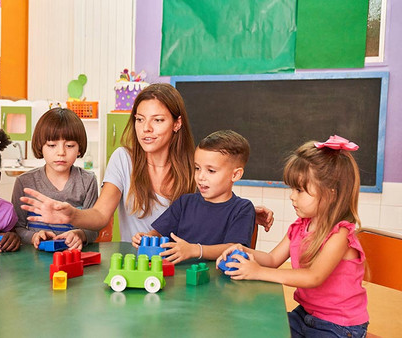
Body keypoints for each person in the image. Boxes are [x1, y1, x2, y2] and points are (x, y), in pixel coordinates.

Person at [19, 83, 274, 241]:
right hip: (138, 264)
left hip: (182, 267)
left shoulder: (193, 166)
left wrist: (244, 211)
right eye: (140, 120)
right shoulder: (123, 158)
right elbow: (99, 215)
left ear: (177, 124)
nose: (146, 129)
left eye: (158, 120)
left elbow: (212, 208)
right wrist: (72, 215)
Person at [217, 135, 368, 338]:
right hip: (304, 315)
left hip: (339, 326)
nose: (292, 196)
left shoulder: (340, 235)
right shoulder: (300, 227)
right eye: (292, 188)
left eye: (300, 190)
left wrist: (257, 272)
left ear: (330, 193)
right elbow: (272, 259)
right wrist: (242, 249)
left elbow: (313, 276)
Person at [132, 130, 255, 263]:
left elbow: (234, 248)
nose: (200, 177)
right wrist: (147, 238)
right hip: (176, 275)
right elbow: (159, 233)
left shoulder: (243, 208)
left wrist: (195, 250)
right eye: (197, 168)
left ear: (235, 175)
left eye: (211, 171)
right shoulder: (184, 202)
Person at [12, 108, 98, 250]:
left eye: (69, 145)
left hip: (74, 256)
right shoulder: (24, 182)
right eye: (52, 145)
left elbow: (93, 228)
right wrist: (34, 236)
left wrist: (80, 234)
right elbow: (16, 228)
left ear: (79, 148)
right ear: (40, 146)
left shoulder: (88, 181)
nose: (61, 153)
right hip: (36, 259)